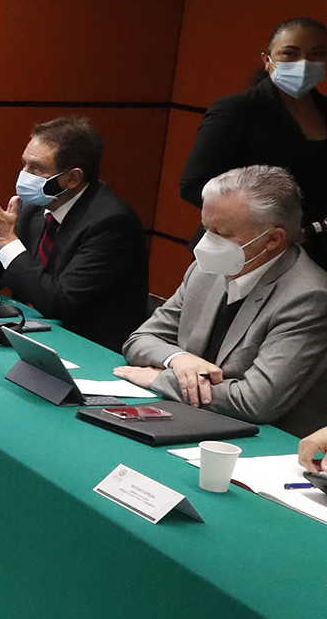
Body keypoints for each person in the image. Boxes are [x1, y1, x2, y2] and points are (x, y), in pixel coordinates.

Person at [117, 165, 327, 434]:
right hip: (189, 419)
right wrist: (179, 359)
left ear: (273, 239)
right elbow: (140, 339)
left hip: (262, 441)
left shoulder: (309, 298)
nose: (206, 244)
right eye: (206, 228)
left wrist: (163, 379)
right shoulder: (206, 270)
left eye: (222, 234)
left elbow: (254, 401)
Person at [0, 116, 150, 352]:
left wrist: (6, 240)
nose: (24, 175)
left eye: (37, 168)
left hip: (88, 348)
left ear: (73, 178)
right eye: (24, 164)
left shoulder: (112, 222)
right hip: (29, 336)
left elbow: (60, 303)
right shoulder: (33, 206)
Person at [179, 17, 327, 270]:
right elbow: (194, 185)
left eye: (317, 54)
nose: (303, 64)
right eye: (290, 53)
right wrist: (262, 226)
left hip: (315, 251)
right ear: (267, 60)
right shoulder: (237, 110)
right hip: (245, 249)